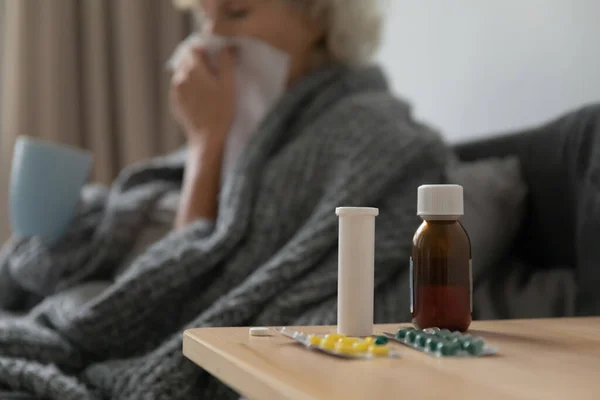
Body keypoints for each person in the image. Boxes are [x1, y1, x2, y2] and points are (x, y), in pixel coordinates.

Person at [0, 0, 597, 399]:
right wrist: (206, 144)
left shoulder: (368, 132)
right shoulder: (241, 129)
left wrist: (207, 142)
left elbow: (186, 288)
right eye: (206, 17)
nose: (216, 40)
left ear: (317, 14)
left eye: (237, 11)